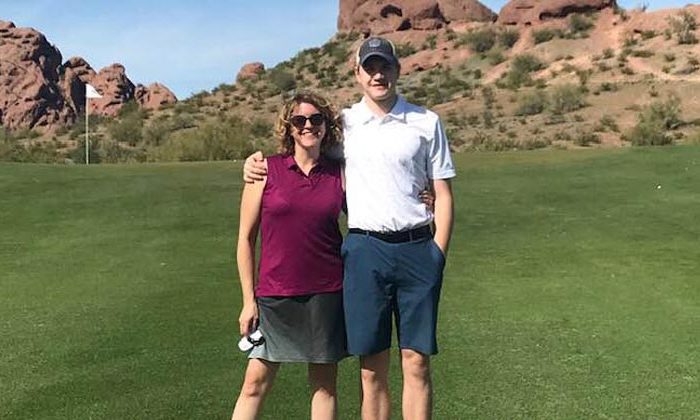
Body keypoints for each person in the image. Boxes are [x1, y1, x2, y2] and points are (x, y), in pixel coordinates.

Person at [245, 37, 455, 420]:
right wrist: (253, 163)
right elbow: (303, 153)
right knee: (371, 369)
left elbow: (442, 192)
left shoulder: (426, 122)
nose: (379, 74)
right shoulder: (344, 126)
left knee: (416, 363)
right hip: (364, 252)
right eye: (370, 67)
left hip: (416, 250)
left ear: (397, 69)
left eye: (385, 66)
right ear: (357, 74)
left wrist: (436, 252)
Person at [231, 91, 347, 420]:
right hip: (274, 295)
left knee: (324, 386)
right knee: (254, 383)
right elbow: (245, 239)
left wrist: (424, 198)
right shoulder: (264, 170)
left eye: (315, 119)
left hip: (327, 292)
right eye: (300, 120)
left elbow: (374, 210)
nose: (308, 125)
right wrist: (248, 300)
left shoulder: (339, 173)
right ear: (289, 128)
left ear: (326, 125)